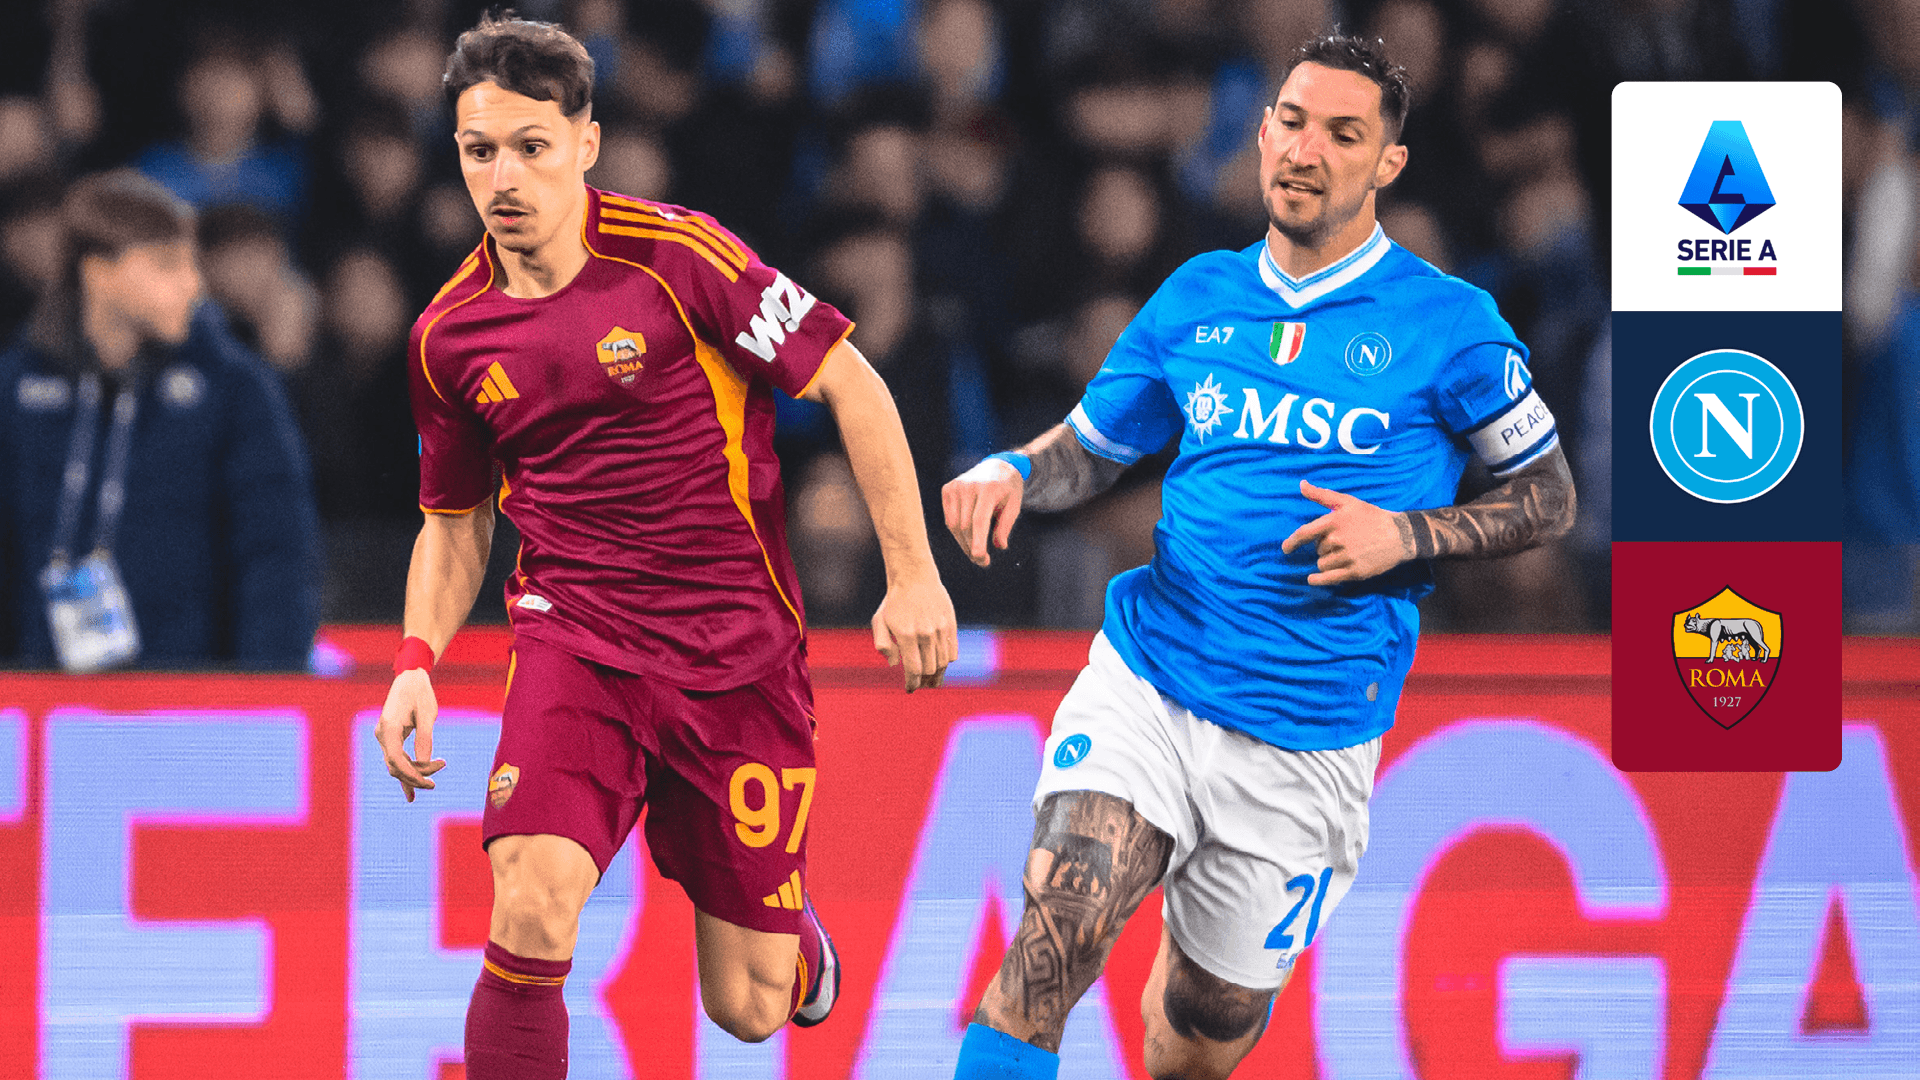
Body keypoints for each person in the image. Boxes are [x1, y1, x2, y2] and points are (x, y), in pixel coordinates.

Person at [942, 34, 1576, 1080]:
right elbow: (1092, 450)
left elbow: (1549, 496)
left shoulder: (1452, 324)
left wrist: (1407, 534)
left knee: (1205, 1022)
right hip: (1153, 673)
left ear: (1389, 163)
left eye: (1343, 134)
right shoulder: (1198, 294)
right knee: (1064, 922)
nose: (1305, 149)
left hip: (1307, 726)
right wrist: (1015, 468)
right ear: (1263, 130)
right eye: (1291, 120)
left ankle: (1196, 985)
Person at [370, 15, 958, 1079]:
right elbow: (456, 522)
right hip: (576, 640)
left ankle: (794, 943)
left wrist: (912, 576)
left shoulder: (682, 258)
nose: (504, 177)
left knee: (749, 1006)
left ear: (586, 144)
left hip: (734, 655)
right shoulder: (448, 337)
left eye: (532, 147)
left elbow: (852, 382)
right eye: (479, 150)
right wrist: (417, 659)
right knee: (530, 898)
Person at [0, 169, 318, 671]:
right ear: (98, 272)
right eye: (166, 265)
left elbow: (277, 551)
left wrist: (268, 692)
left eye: (191, 264)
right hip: (39, 693)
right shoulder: (16, 385)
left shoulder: (233, 387)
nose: (192, 284)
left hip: (189, 696)